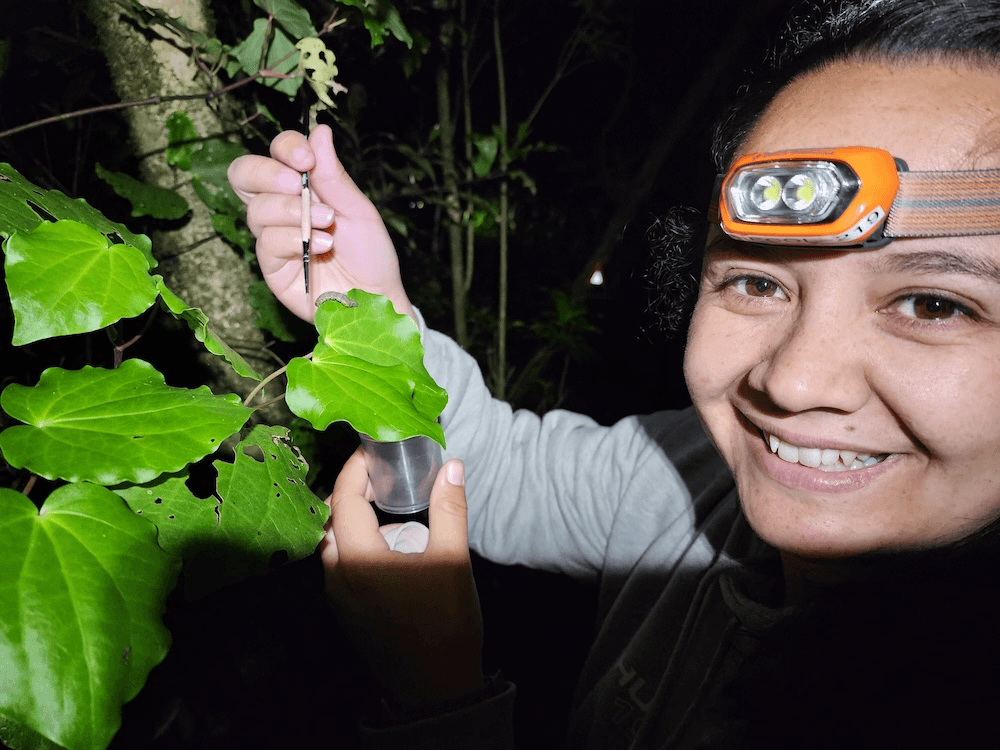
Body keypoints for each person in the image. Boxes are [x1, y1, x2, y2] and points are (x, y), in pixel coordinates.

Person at [228, 0, 1000, 746]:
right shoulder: (689, 479)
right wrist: (374, 313)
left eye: (934, 305)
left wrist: (439, 702)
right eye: (756, 283)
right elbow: (499, 466)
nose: (794, 384)